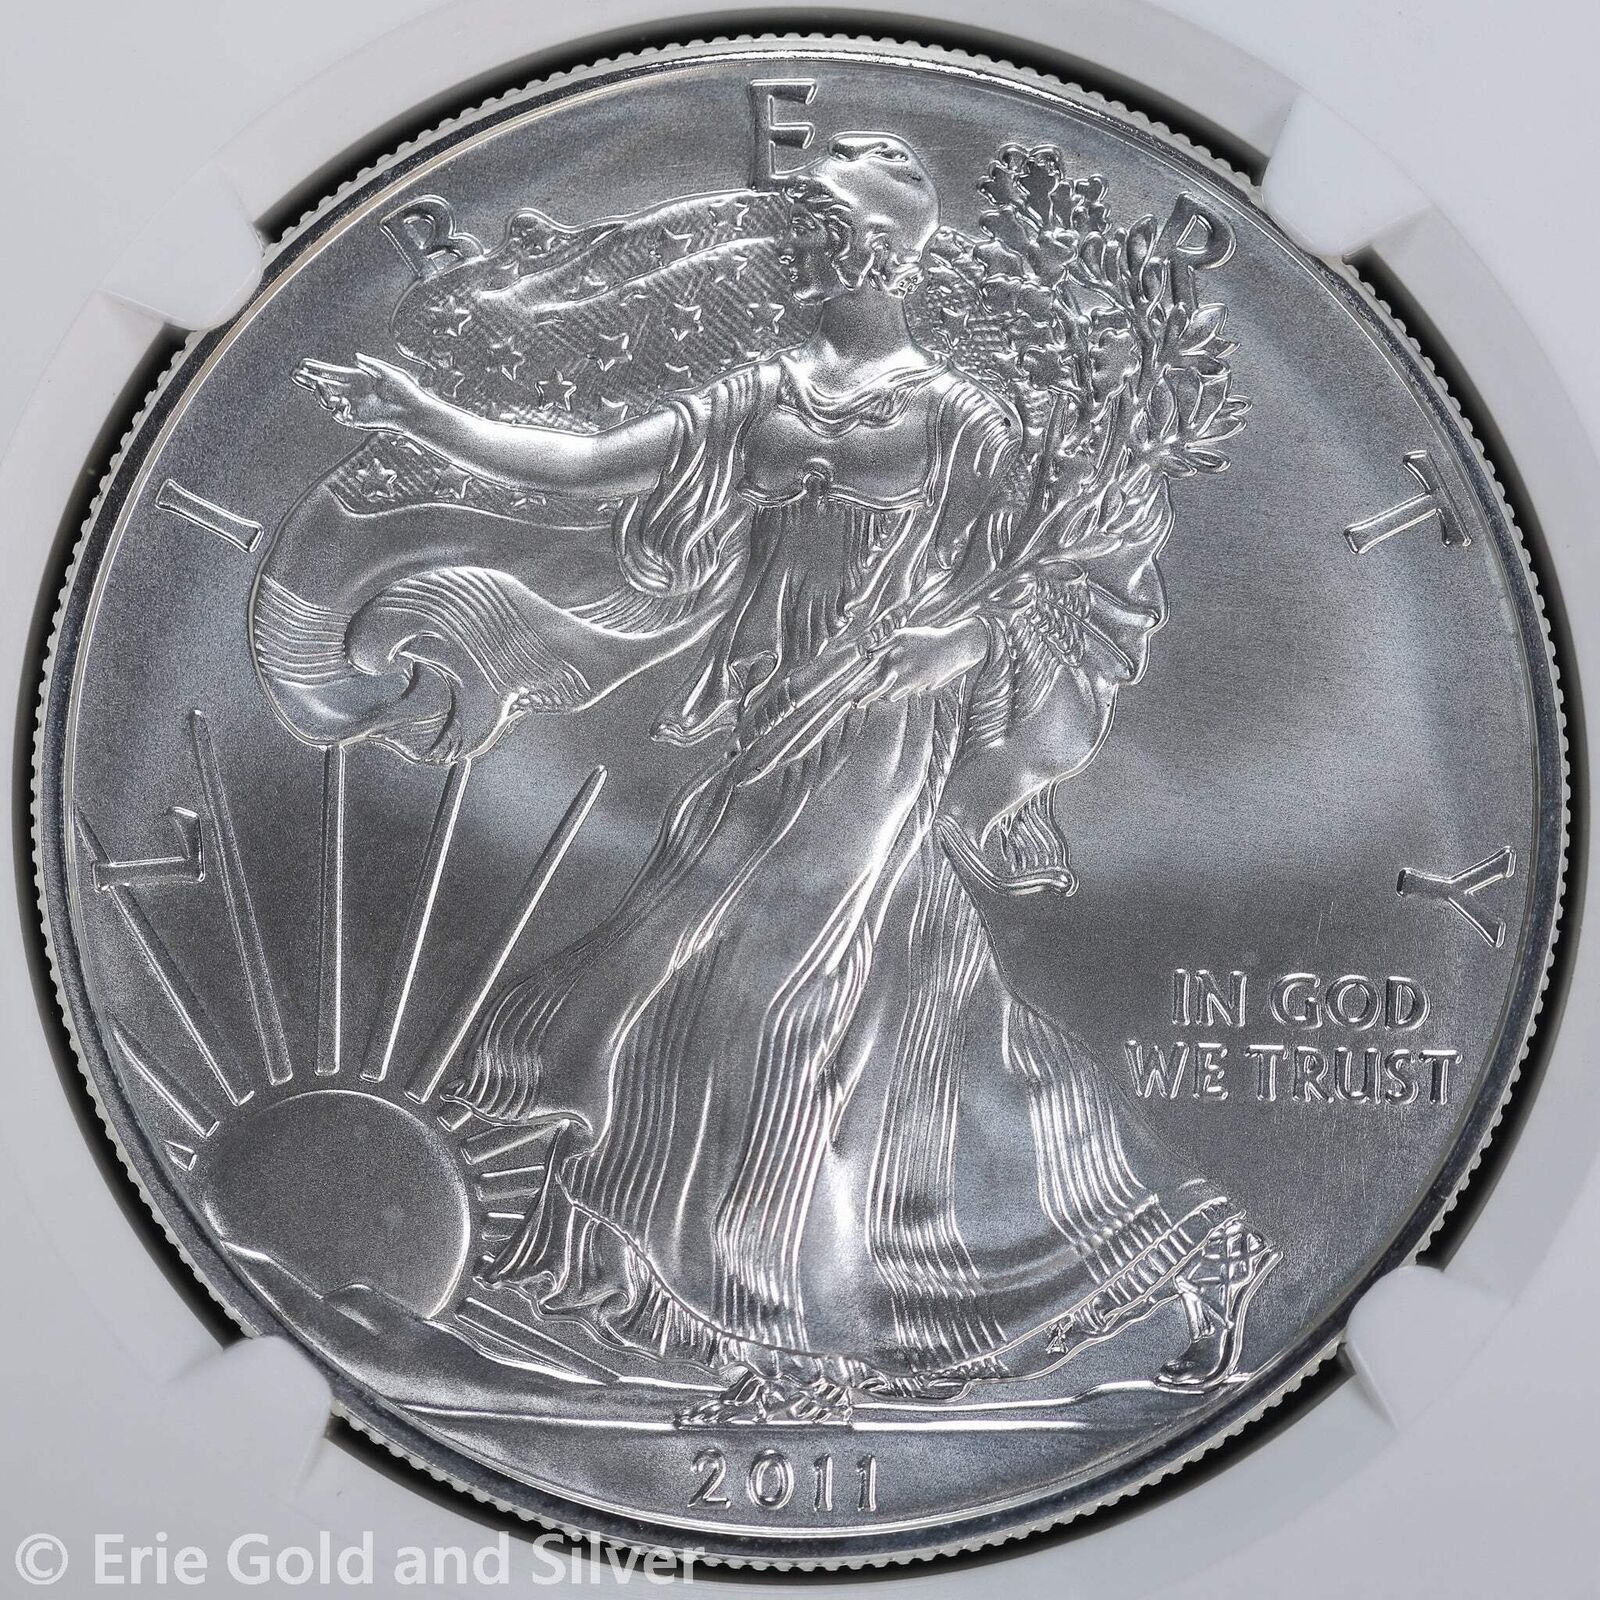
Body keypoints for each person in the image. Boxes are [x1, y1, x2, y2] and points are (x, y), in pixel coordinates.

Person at [295, 131, 1278, 1424]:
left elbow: (1029, 589)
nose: (792, 250)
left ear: (876, 254)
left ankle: (796, 1349)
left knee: (772, 1007)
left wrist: (944, 644)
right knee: (903, 1021)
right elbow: (586, 462)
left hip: (882, 736)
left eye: (814, 232)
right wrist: (418, 414)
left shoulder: (963, 419)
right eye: (799, 228)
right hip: (770, 731)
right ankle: (1195, 1251)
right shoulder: (760, 392)